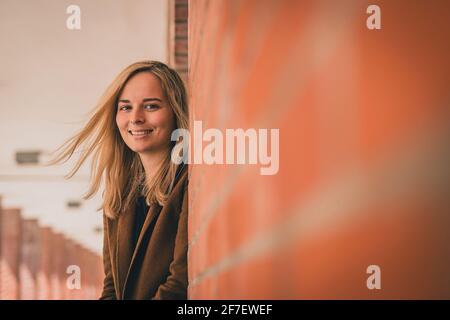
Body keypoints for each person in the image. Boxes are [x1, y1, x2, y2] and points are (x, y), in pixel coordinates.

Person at [51, 61, 189, 299]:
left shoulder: (190, 183)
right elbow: (112, 288)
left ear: (176, 112)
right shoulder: (118, 195)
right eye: (125, 107)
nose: (135, 118)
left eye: (151, 106)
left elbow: (179, 285)